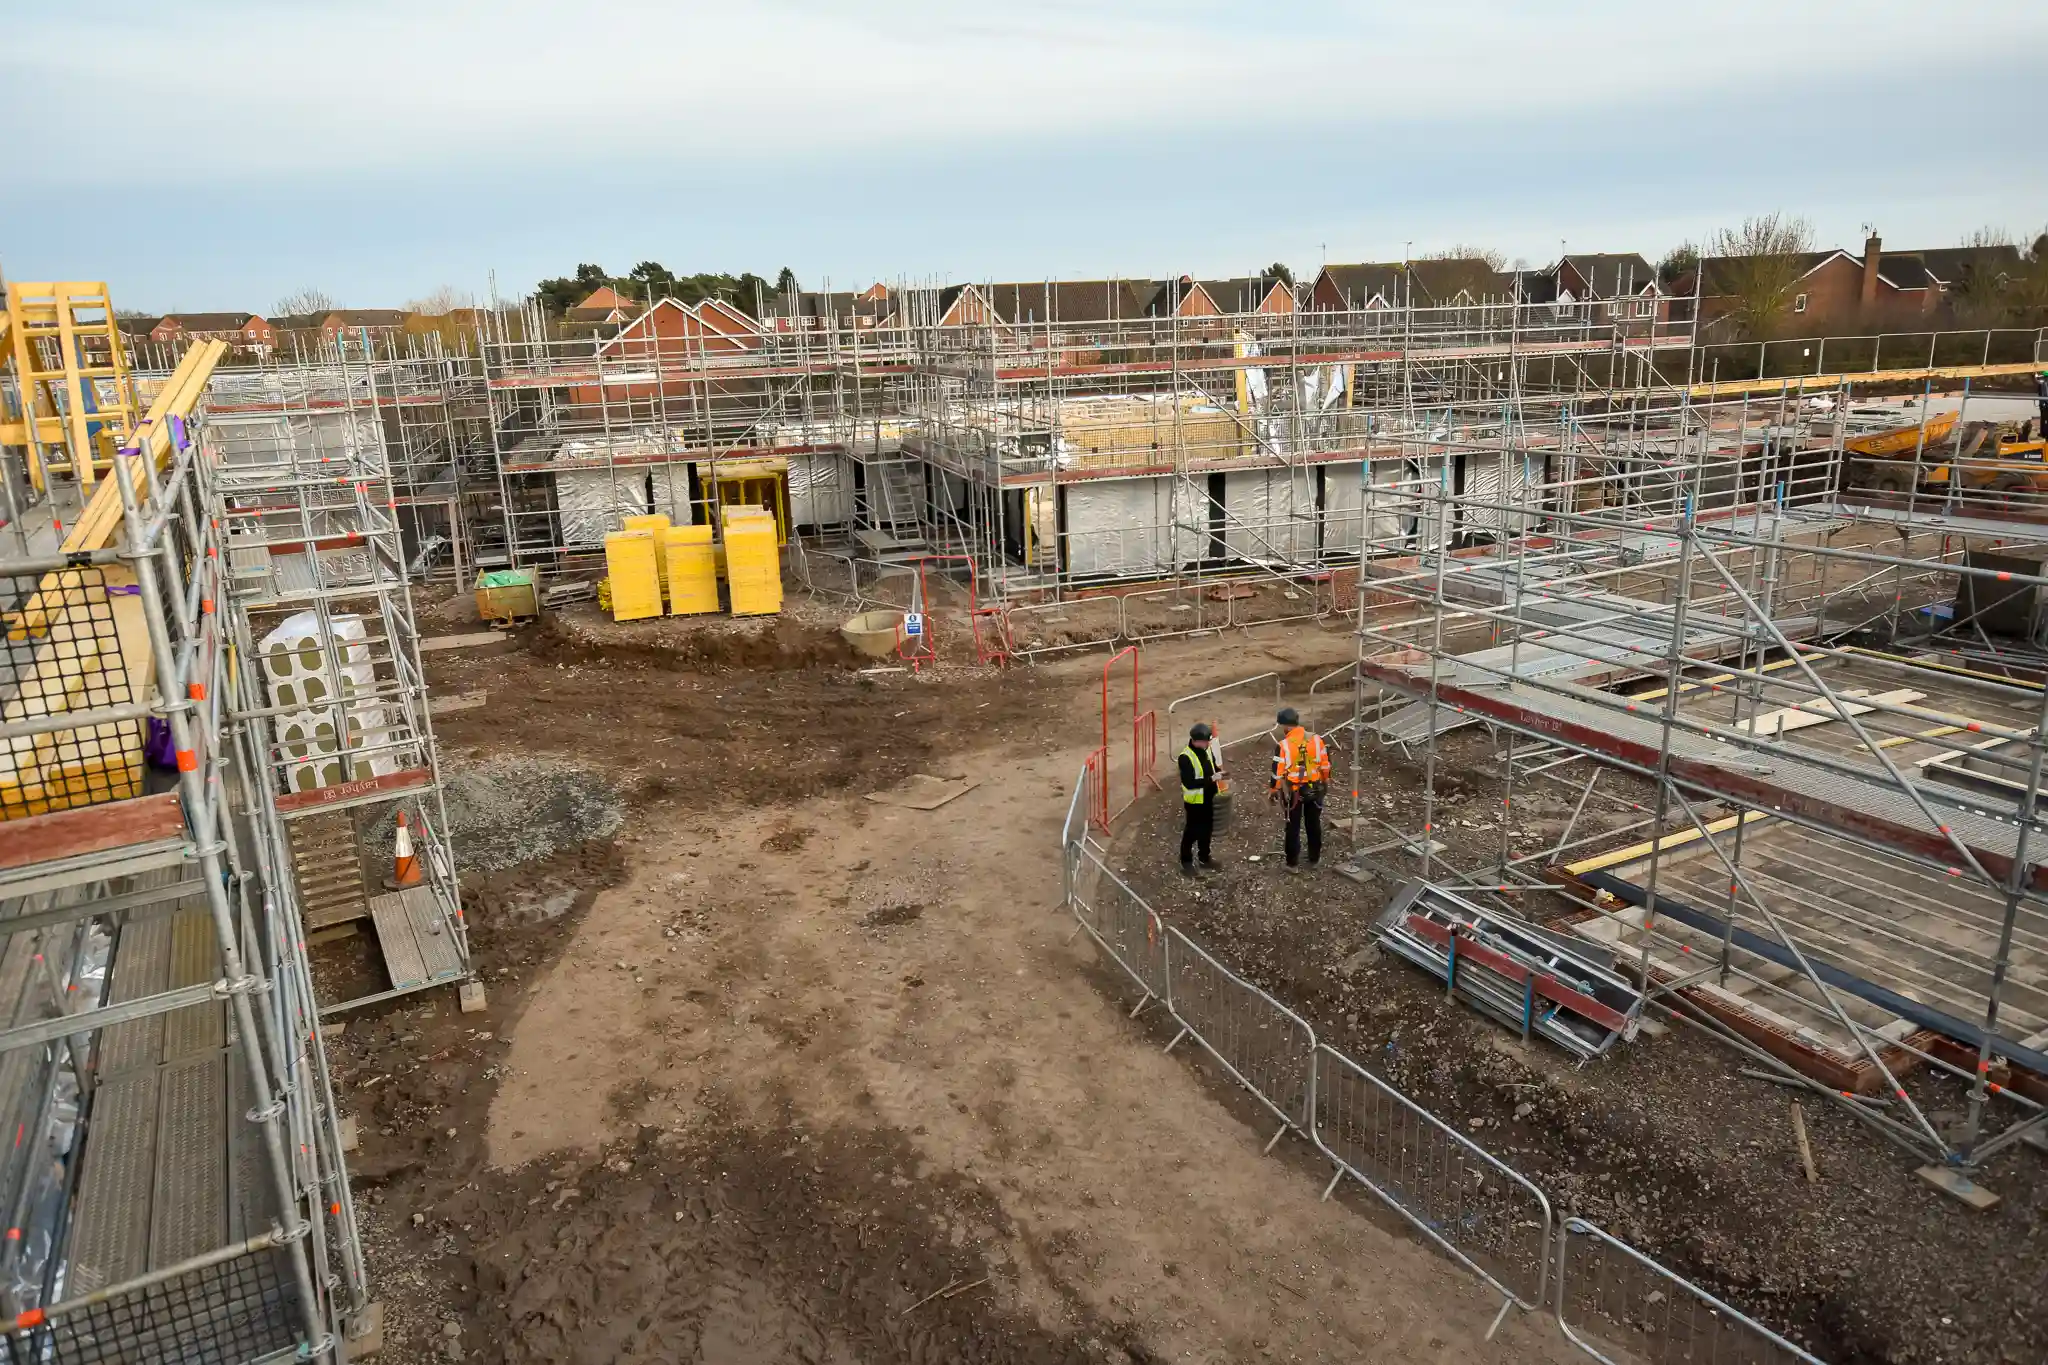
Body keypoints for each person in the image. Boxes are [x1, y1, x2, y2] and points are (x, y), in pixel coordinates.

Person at [1269, 707, 1330, 873]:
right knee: (1314, 824)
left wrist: (1273, 790)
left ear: (1285, 726)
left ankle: (1292, 864)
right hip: (1315, 788)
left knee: (1293, 826)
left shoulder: (1283, 746)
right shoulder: (1317, 739)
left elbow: (1277, 772)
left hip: (1294, 792)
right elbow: (1325, 764)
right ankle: (1314, 858)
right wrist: (1325, 781)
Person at [1177, 723, 1222, 876]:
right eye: (1206, 741)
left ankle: (1204, 857)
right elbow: (1189, 783)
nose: (1209, 744)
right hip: (1195, 802)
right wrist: (1211, 778)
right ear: (1197, 741)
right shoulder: (1185, 757)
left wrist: (1220, 773)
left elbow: (1213, 765)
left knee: (1207, 829)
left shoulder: (1206, 749)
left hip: (1208, 797)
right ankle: (1186, 861)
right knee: (1192, 831)